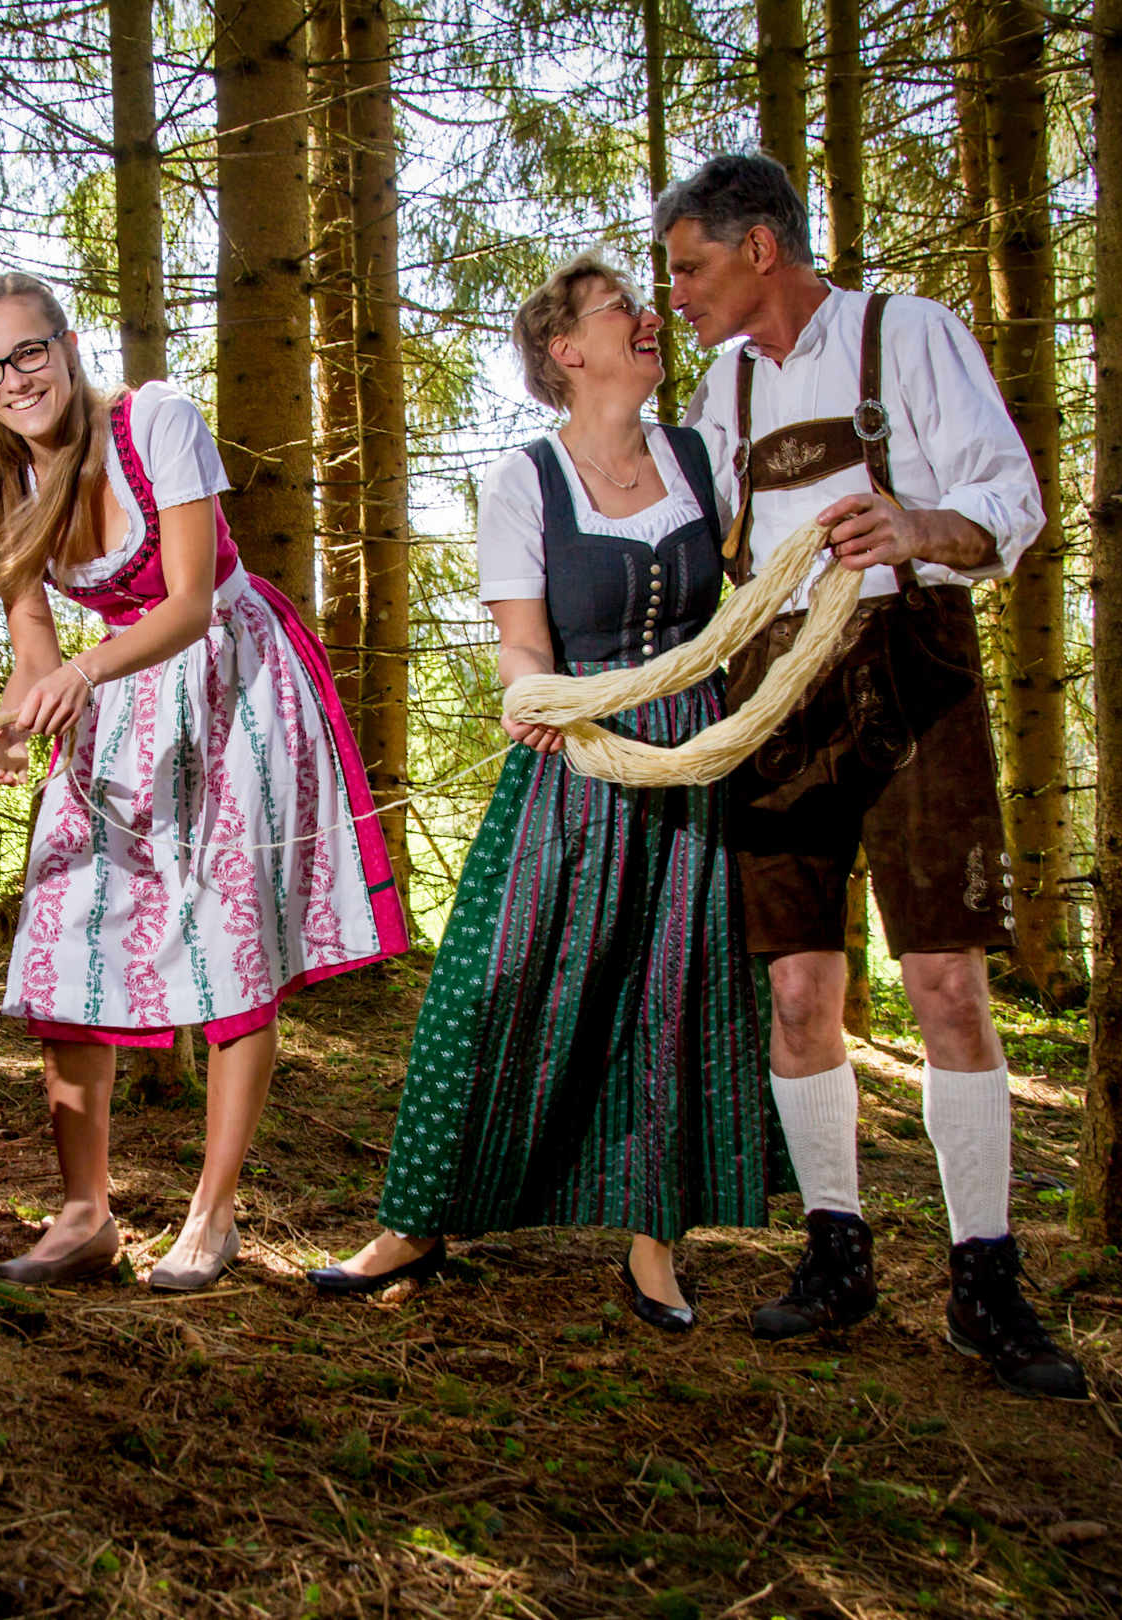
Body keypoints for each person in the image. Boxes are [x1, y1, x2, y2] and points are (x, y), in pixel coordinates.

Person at [660, 152, 1085, 1398]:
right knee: (799, 990)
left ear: (760, 250)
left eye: (690, 268)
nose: (678, 293)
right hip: (774, 690)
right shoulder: (724, 389)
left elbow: (1013, 502)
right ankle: (836, 1253)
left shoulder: (911, 335)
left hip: (911, 667)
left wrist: (916, 525)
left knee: (947, 979)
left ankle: (985, 1278)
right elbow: (694, 546)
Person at [305, 254, 773, 1328]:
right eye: (623, 310)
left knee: (675, 986)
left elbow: (761, 580)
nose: (651, 318)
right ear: (568, 350)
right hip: (577, 749)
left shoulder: (703, 453)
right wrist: (533, 695)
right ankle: (416, 1223)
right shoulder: (526, 479)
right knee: (494, 978)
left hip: (695, 757)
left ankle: (655, 1244)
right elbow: (521, 642)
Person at [0, 271, 409, 1292]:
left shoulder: (154, 421)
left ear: (68, 347)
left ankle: (213, 1212)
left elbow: (191, 601)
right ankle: (84, 1215)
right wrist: (20, 724)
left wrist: (78, 677)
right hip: (116, 702)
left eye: (30, 352)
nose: (15, 380)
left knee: (229, 933)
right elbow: (33, 642)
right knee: (68, 926)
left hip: (235, 683)